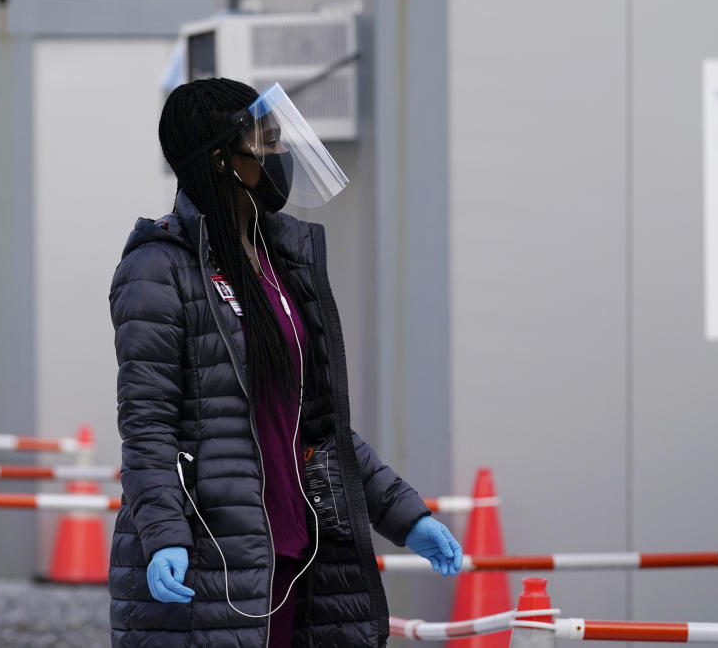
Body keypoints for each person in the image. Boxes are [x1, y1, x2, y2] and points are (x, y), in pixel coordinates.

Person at [108, 77, 463, 647]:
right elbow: (147, 425)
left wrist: (404, 515)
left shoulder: (284, 260)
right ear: (223, 161)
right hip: (216, 557)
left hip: (301, 550)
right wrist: (165, 535)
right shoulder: (158, 270)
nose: (281, 156)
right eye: (267, 142)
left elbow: (315, 423)